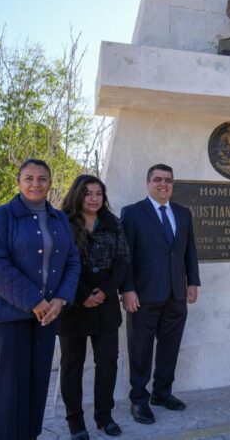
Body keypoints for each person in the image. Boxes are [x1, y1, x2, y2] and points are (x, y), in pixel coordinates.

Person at [0, 159, 81, 440]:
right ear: (18, 182)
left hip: (48, 316)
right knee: (12, 386)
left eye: (42, 178)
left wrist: (61, 299)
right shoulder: (0, 217)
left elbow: (72, 260)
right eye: (29, 178)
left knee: (37, 384)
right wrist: (35, 300)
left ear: (50, 182)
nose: (36, 184)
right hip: (8, 315)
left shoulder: (59, 219)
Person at [120, 163, 201, 425]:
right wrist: (127, 289)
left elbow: (189, 250)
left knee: (170, 348)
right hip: (143, 296)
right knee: (140, 350)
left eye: (168, 180)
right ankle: (139, 400)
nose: (163, 184)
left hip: (176, 294)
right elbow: (126, 256)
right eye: (157, 180)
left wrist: (192, 282)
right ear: (148, 183)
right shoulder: (132, 213)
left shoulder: (183, 213)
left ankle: (162, 393)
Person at [58, 175, 131, 439]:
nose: (93, 198)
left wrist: (107, 290)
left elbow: (123, 259)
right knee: (72, 365)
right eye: (88, 193)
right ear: (78, 195)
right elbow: (60, 264)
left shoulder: (113, 223)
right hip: (73, 303)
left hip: (106, 302)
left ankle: (104, 416)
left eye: (98, 194)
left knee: (108, 362)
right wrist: (83, 294)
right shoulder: (63, 223)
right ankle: (75, 422)